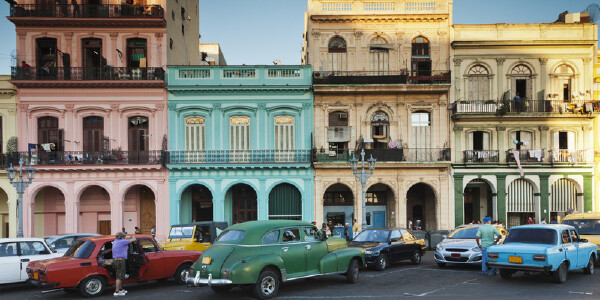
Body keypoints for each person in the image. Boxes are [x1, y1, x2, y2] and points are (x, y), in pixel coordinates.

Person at [112, 232, 136, 296]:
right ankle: (116, 291)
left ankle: (120, 289)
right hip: (120, 261)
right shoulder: (122, 242)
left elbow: (124, 238)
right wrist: (133, 236)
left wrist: (126, 237)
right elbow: (134, 239)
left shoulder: (115, 241)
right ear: (122, 237)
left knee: (120, 275)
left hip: (116, 261)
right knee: (119, 276)